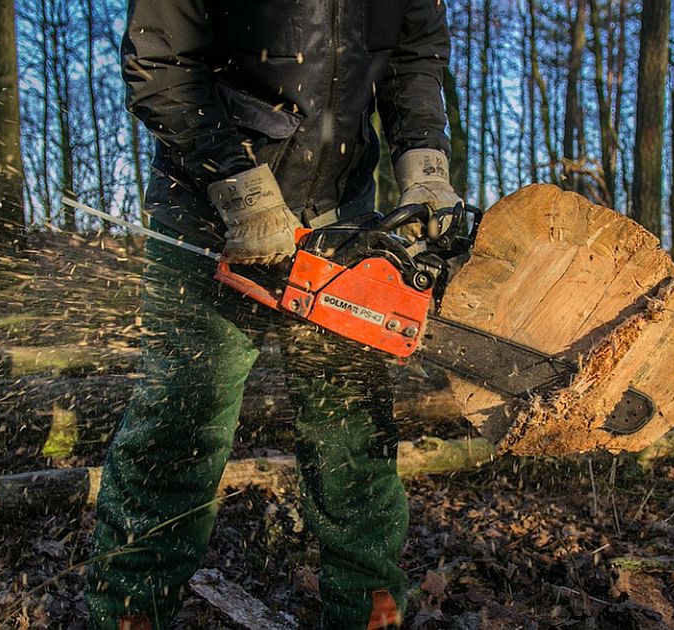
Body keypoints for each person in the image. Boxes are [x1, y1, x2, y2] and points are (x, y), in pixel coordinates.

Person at [83, 1, 461, 629]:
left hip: (343, 214)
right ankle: (131, 609)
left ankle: (369, 607)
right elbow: (162, 58)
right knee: (182, 418)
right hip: (207, 209)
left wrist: (425, 166)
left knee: (352, 432)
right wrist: (236, 180)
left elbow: (413, 57)